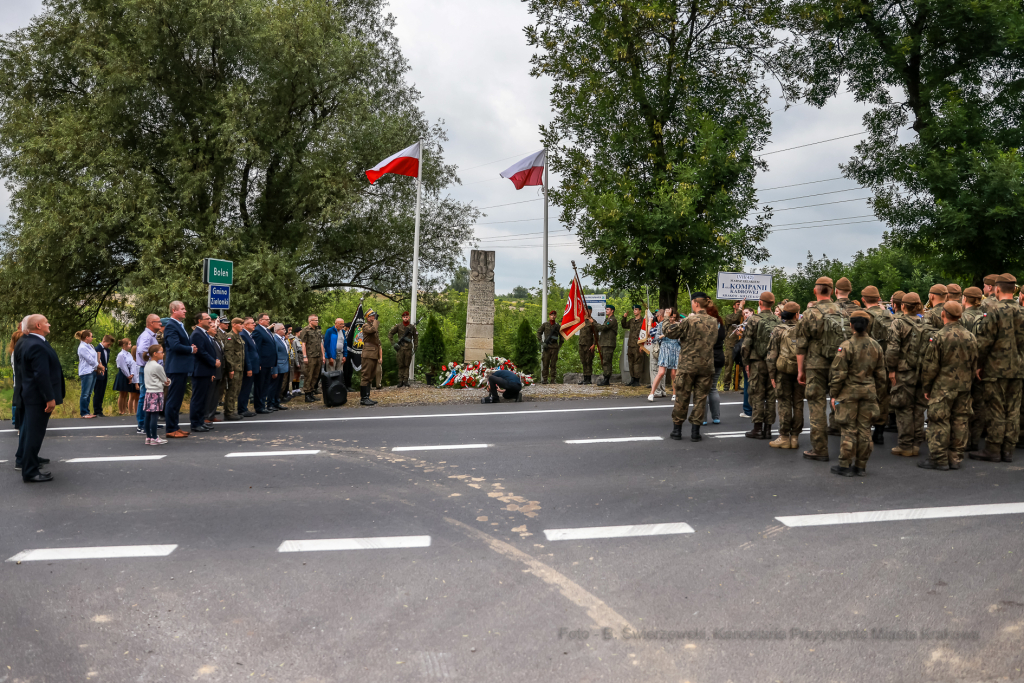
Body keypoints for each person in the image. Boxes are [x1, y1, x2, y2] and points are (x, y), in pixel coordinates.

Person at [970, 273, 1024, 463]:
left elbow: (984, 341)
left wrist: (978, 365)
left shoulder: (993, 310)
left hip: (995, 368)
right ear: (1015, 290)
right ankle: (1007, 450)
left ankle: (993, 449)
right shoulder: (1022, 311)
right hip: (1017, 368)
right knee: (1013, 410)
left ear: (997, 288)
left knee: (996, 409)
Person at [795, 276, 850, 462]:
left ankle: (820, 449)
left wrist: (800, 370)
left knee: (816, 405)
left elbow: (801, 344)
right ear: (832, 290)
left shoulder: (810, 313)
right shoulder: (842, 311)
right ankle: (849, 449)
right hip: (839, 363)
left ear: (815, 291)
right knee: (842, 402)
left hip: (815, 364)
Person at [918, 301, 978, 470]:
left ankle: (939, 458)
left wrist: (926, 387)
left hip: (943, 386)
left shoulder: (939, 336)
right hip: (964, 386)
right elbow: (974, 362)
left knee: (939, 421)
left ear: (943, 314)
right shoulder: (970, 336)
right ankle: (955, 457)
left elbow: (930, 366)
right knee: (960, 421)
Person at [828, 310, 886, 476]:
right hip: (869, 393)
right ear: (868, 325)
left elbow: (838, 374)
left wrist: (834, 394)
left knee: (848, 429)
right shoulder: (877, 346)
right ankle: (861, 465)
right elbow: (881, 376)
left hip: (848, 394)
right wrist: (878, 394)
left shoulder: (846, 346)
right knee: (865, 430)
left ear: (851, 325)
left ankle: (845, 465)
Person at [662, 293, 719, 442]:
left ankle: (677, 430)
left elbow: (669, 332)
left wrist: (667, 318)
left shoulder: (689, 320)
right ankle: (695, 431)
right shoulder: (714, 321)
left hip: (688, 365)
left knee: (682, 396)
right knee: (701, 398)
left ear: (695, 303)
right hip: (706, 365)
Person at [13, 315, 64, 482]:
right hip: (37, 396)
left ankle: (27, 459)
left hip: (27, 393)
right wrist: (49, 398)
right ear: (38, 325)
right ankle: (30, 471)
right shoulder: (36, 345)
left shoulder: (25, 340)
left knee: (28, 431)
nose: (49, 324)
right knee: (34, 434)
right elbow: (41, 375)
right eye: (47, 322)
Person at [742, 291, 779, 440]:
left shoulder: (753, 320)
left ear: (760, 303)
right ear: (772, 304)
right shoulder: (778, 320)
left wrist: (746, 363)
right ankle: (768, 429)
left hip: (757, 362)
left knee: (757, 394)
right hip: (773, 362)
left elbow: (746, 344)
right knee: (771, 395)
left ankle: (757, 428)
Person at [767, 301, 804, 449]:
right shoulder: (803, 329)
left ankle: (784, 436)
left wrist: (772, 374)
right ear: (797, 315)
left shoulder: (777, 330)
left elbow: (771, 354)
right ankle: (795, 437)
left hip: (783, 371)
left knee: (784, 403)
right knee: (799, 403)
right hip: (801, 371)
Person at [861, 286, 893, 444]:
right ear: (879, 298)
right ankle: (879, 431)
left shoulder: (865, 315)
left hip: (869, 361)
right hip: (886, 360)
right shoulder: (888, 315)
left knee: (866, 395)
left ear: (863, 299)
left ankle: (865, 430)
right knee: (884, 396)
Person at [163, 301, 198, 438]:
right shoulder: (171, 326)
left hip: (181, 367)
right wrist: (191, 349)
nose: (185, 311)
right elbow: (174, 345)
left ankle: (175, 426)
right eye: (182, 309)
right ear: (173, 310)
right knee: (173, 399)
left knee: (177, 399)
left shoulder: (179, 325)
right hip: (175, 367)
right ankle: (171, 429)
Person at [962, 287, 987, 450]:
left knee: (963, 405)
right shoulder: (986, 317)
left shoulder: (962, 318)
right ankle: (975, 441)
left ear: (965, 299)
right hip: (982, 366)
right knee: (979, 404)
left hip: (964, 367)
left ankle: (963, 440)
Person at [188, 312, 219, 433]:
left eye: (210, 319)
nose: (210, 321)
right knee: (198, 398)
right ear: (200, 321)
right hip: (199, 370)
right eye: (207, 319)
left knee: (203, 398)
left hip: (205, 370)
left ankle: (201, 421)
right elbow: (201, 352)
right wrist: (213, 362)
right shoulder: (197, 334)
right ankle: (195, 423)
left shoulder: (204, 333)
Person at [134, 314, 163, 435]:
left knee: (147, 396)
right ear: (151, 323)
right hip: (147, 369)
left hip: (148, 369)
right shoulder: (146, 336)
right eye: (158, 322)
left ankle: (149, 422)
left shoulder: (151, 335)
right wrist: (151, 362)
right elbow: (141, 351)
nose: (160, 324)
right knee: (144, 396)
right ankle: (141, 424)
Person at [142, 344, 171, 446]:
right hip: (157, 392)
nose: (163, 354)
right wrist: (168, 381)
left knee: (148, 415)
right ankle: (154, 437)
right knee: (155, 415)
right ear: (155, 354)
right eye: (161, 352)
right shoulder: (158, 366)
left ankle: (148, 437)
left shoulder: (147, 364)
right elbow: (165, 380)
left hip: (149, 392)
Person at [649, 309, 679, 401]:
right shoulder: (662, 325)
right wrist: (662, 336)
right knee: (661, 372)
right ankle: (652, 393)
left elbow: (681, 338)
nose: (672, 319)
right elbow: (655, 337)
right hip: (664, 348)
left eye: (674, 317)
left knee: (674, 373)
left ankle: (674, 393)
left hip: (675, 349)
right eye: (671, 317)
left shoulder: (678, 325)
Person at [704, 302, 726, 425]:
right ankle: (716, 417)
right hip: (719, 358)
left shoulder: (706, 325)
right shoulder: (721, 325)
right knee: (713, 388)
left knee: (703, 389)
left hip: (707, 359)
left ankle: (702, 419)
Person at [252, 313, 277, 413]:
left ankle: (263, 404)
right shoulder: (258, 331)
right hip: (262, 363)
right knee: (260, 385)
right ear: (260, 321)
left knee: (265, 385)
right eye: (266, 319)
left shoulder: (266, 330)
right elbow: (257, 348)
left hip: (268, 363)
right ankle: (259, 406)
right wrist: (259, 363)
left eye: (269, 319)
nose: (269, 321)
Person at [222, 318, 246, 421]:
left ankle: (232, 410)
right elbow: (229, 354)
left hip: (240, 368)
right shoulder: (230, 337)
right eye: (240, 324)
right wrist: (230, 369)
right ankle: (229, 412)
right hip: (234, 368)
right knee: (231, 390)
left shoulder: (238, 337)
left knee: (236, 390)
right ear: (234, 324)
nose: (242, 326)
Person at [75, 329, 102, 418]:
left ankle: (87, 411)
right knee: (85, 393)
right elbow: (90, 360)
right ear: (87, 337)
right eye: (91, 336)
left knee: (89, 393)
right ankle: (84, 412)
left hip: (92, 371)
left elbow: (95, 357)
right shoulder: (82, 347)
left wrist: (99, 365)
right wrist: (99, 366)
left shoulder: (90, 346)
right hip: (86, 372)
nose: (92, 338)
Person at [203, 317, 226, 424]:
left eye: (215, 327)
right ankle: (206, 415)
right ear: (207, 329)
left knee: (216, 395)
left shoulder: (216, 339)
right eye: (212, 327)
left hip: (219, 371)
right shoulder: (207, 340)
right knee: (209, 395)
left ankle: (212, 415)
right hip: (211, 371)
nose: (215, 329)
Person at [298, 314, 324, 403]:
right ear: (310, 321)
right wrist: (305, 356)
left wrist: (323, 355)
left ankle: (312, 391)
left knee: (316, 375)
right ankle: (307, 394)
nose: (317, 322)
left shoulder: (318, 330)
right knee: (309, 375)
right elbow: (303, 344)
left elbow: (320, 343)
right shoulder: (305, 330)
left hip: (317, 355)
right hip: (310, 356)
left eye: (317, 320)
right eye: (315, 320)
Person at [389, 312, 418, 387]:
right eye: (404, 317)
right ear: (402, 318)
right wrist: (393, 343)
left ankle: (405, 380)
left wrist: (415, 347)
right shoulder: (398, 326)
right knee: (400, 365)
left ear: (409, 317)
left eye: (407, 317)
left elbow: (415, 338)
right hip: (400, 348)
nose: (405, 318)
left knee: (407, 364)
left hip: (408, 348)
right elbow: (390, 334)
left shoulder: (412, 327)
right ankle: (400, 381)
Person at [358, 310, 380, 406]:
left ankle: (367, 396)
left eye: (374, 316)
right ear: (368, 317)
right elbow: (373, 330)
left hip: (373, 353)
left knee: (370, 376)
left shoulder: (371, 325)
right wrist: (376, 321)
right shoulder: (365, 326)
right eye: (372, 316)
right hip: (368, 354)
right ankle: (363, 398)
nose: (374, 317)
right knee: (366, 376)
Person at [239, 317, 259, 416]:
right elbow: (246, 354)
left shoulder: (249, 335)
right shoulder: (243, 335)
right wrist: (249, 368)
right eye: (252, 323)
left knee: (247, 388)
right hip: (248, 367)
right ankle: (242, 409)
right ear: (246, 325)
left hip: (253, 365)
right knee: (245, 388)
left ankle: (244, 407)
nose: (254, 324)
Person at [620, 305, 645, 386]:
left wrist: (642, 345)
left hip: (638, 345)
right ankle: (632, 379)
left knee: (637, 363)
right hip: (630, 345)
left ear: (640, 311)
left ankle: (637, 380)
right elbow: (624, 326)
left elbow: (644, 334)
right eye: (634, 309)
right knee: (630, 362)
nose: (634, 311)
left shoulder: (643, 321)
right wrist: (624, 318)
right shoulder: (631, 321)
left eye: (636, 309)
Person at [537, 310, 564, 384]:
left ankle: (553, 379)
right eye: (551, 315)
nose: (553, 316)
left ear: (556, 316)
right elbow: (538, 333)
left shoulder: (557, 326)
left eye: (554, 315)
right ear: (549, 316)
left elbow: (562, 337)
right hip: (547, 347)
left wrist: (559, 346)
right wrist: (542, 343)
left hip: (554, 347)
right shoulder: (545, 325)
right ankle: (545, 379)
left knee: (553, 364)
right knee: (545, 363)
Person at [269, 323, 291, 410]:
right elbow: (274, 355)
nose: (284, 330)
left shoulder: (282, 339)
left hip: (283, 366)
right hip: (277, 366)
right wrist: (274, 370)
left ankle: (276, 402)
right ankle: (271, 403)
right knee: (273, 386)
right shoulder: (275, 339)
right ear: (277, 331)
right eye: (282, 329)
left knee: (279, 386)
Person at [93, 334, 114, 417]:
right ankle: (96, 410)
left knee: (102, 392)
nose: (109, 346)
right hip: (98, 372)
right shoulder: (96, 349)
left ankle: (100, 410)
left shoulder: (107, 350)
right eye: (108, 344)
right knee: (97, 392)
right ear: (104, 341)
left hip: (105, 372)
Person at [597, 305, 619, 384]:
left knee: (607, 361)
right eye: (606, 309)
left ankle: (606, 379)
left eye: (608, 309)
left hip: (608, 344)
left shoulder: (612, 320)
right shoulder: (608, 319)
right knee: (605, 361)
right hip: (605, 344)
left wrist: (594, 323)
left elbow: (604, 328)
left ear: (612, 311)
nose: (606, 311)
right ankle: (605, 378)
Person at [113, 338, 136, 415]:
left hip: (129, 374)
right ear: (124, 345)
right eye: (129, 344)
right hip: (123, 374)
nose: (130, 345)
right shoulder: (121, 355)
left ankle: (124, 410)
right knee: (122, 393)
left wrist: (132, 374)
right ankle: (121, 410)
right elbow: (123, 366)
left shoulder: (129, 354)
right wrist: (128, 375)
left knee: (126, 393)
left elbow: (133, 364)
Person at [647, 309, 666, 397]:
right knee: (663, 371)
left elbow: (650, 332)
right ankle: (662, 390)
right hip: (666, 349)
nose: (656, 317)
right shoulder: (669, 325)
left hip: (657, 349)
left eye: (657, 316)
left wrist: (650, 322)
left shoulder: (660, 325)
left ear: (660, 316)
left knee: (655, 369)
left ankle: (657, 391)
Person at [577, 307, 597, 385]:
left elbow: (596, 334)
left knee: (588, 361)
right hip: (582, 344)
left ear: (591, 312)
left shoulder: (592, 322)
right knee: (583, 361)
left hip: (589, 344)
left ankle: (589, 379)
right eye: (586, 311)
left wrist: (594, 344)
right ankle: (585, 378)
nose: (587, 312)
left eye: (588, 311)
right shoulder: (582, 321)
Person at [8, 327, 24, 429]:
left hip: (18, 380)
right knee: (18, 401)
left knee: (17, 400)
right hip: (20, 380)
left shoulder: (14, 351)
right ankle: (17, 420)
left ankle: (16, 420)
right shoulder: (17, 352)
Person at [324, 318, 347, 386]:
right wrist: (330, 357)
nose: (342, 326)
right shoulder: (330, 331)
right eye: (341, 324)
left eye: (343, 324)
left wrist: (345, 356)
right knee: (331, 373)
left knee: (339, 373)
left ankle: (338, 388)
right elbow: (326, 344)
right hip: (332, 355)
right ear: (336, 324)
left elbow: (345, 344)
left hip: (340, 354)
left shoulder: (343, 332)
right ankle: (330, 388)